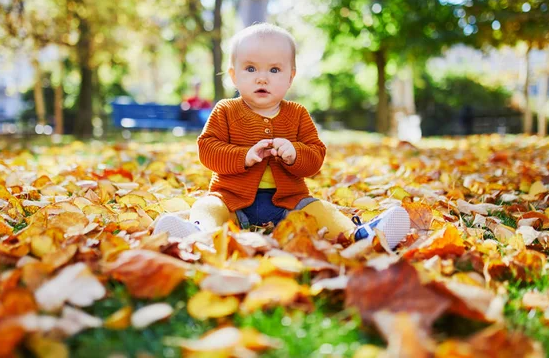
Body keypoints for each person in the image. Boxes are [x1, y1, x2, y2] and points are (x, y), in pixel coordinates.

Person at [152, 23, 410, 248]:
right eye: (251, 69)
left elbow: (316, 156)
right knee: (207, 206)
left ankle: (361, 235)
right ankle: (199, 233)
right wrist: (245, 156)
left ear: (290, 77)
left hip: (290, 203)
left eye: (274, 70)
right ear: (234, 76)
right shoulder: (226, 110)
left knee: (320, 210)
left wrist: (295, 153)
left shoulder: (297, 114)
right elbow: (207, 149)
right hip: (232, 200)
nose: (262, 78)